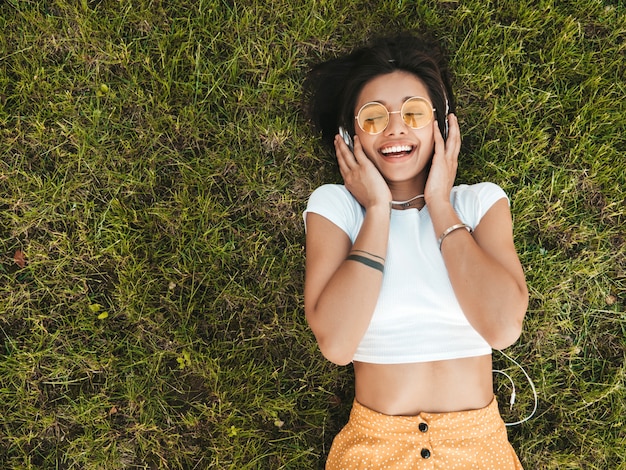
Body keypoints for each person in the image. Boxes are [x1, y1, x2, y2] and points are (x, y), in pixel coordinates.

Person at [302, 33, 529, 469]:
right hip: (375, 448)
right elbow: (337, 343)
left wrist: (440, 205)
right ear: (351, 135)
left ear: (442, 125)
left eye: (414, 112)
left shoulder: (478, 204)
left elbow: (503, 328)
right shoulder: (335, 208)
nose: (395, 128)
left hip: (477, 448)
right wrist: (377, 211)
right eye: (373, 118)